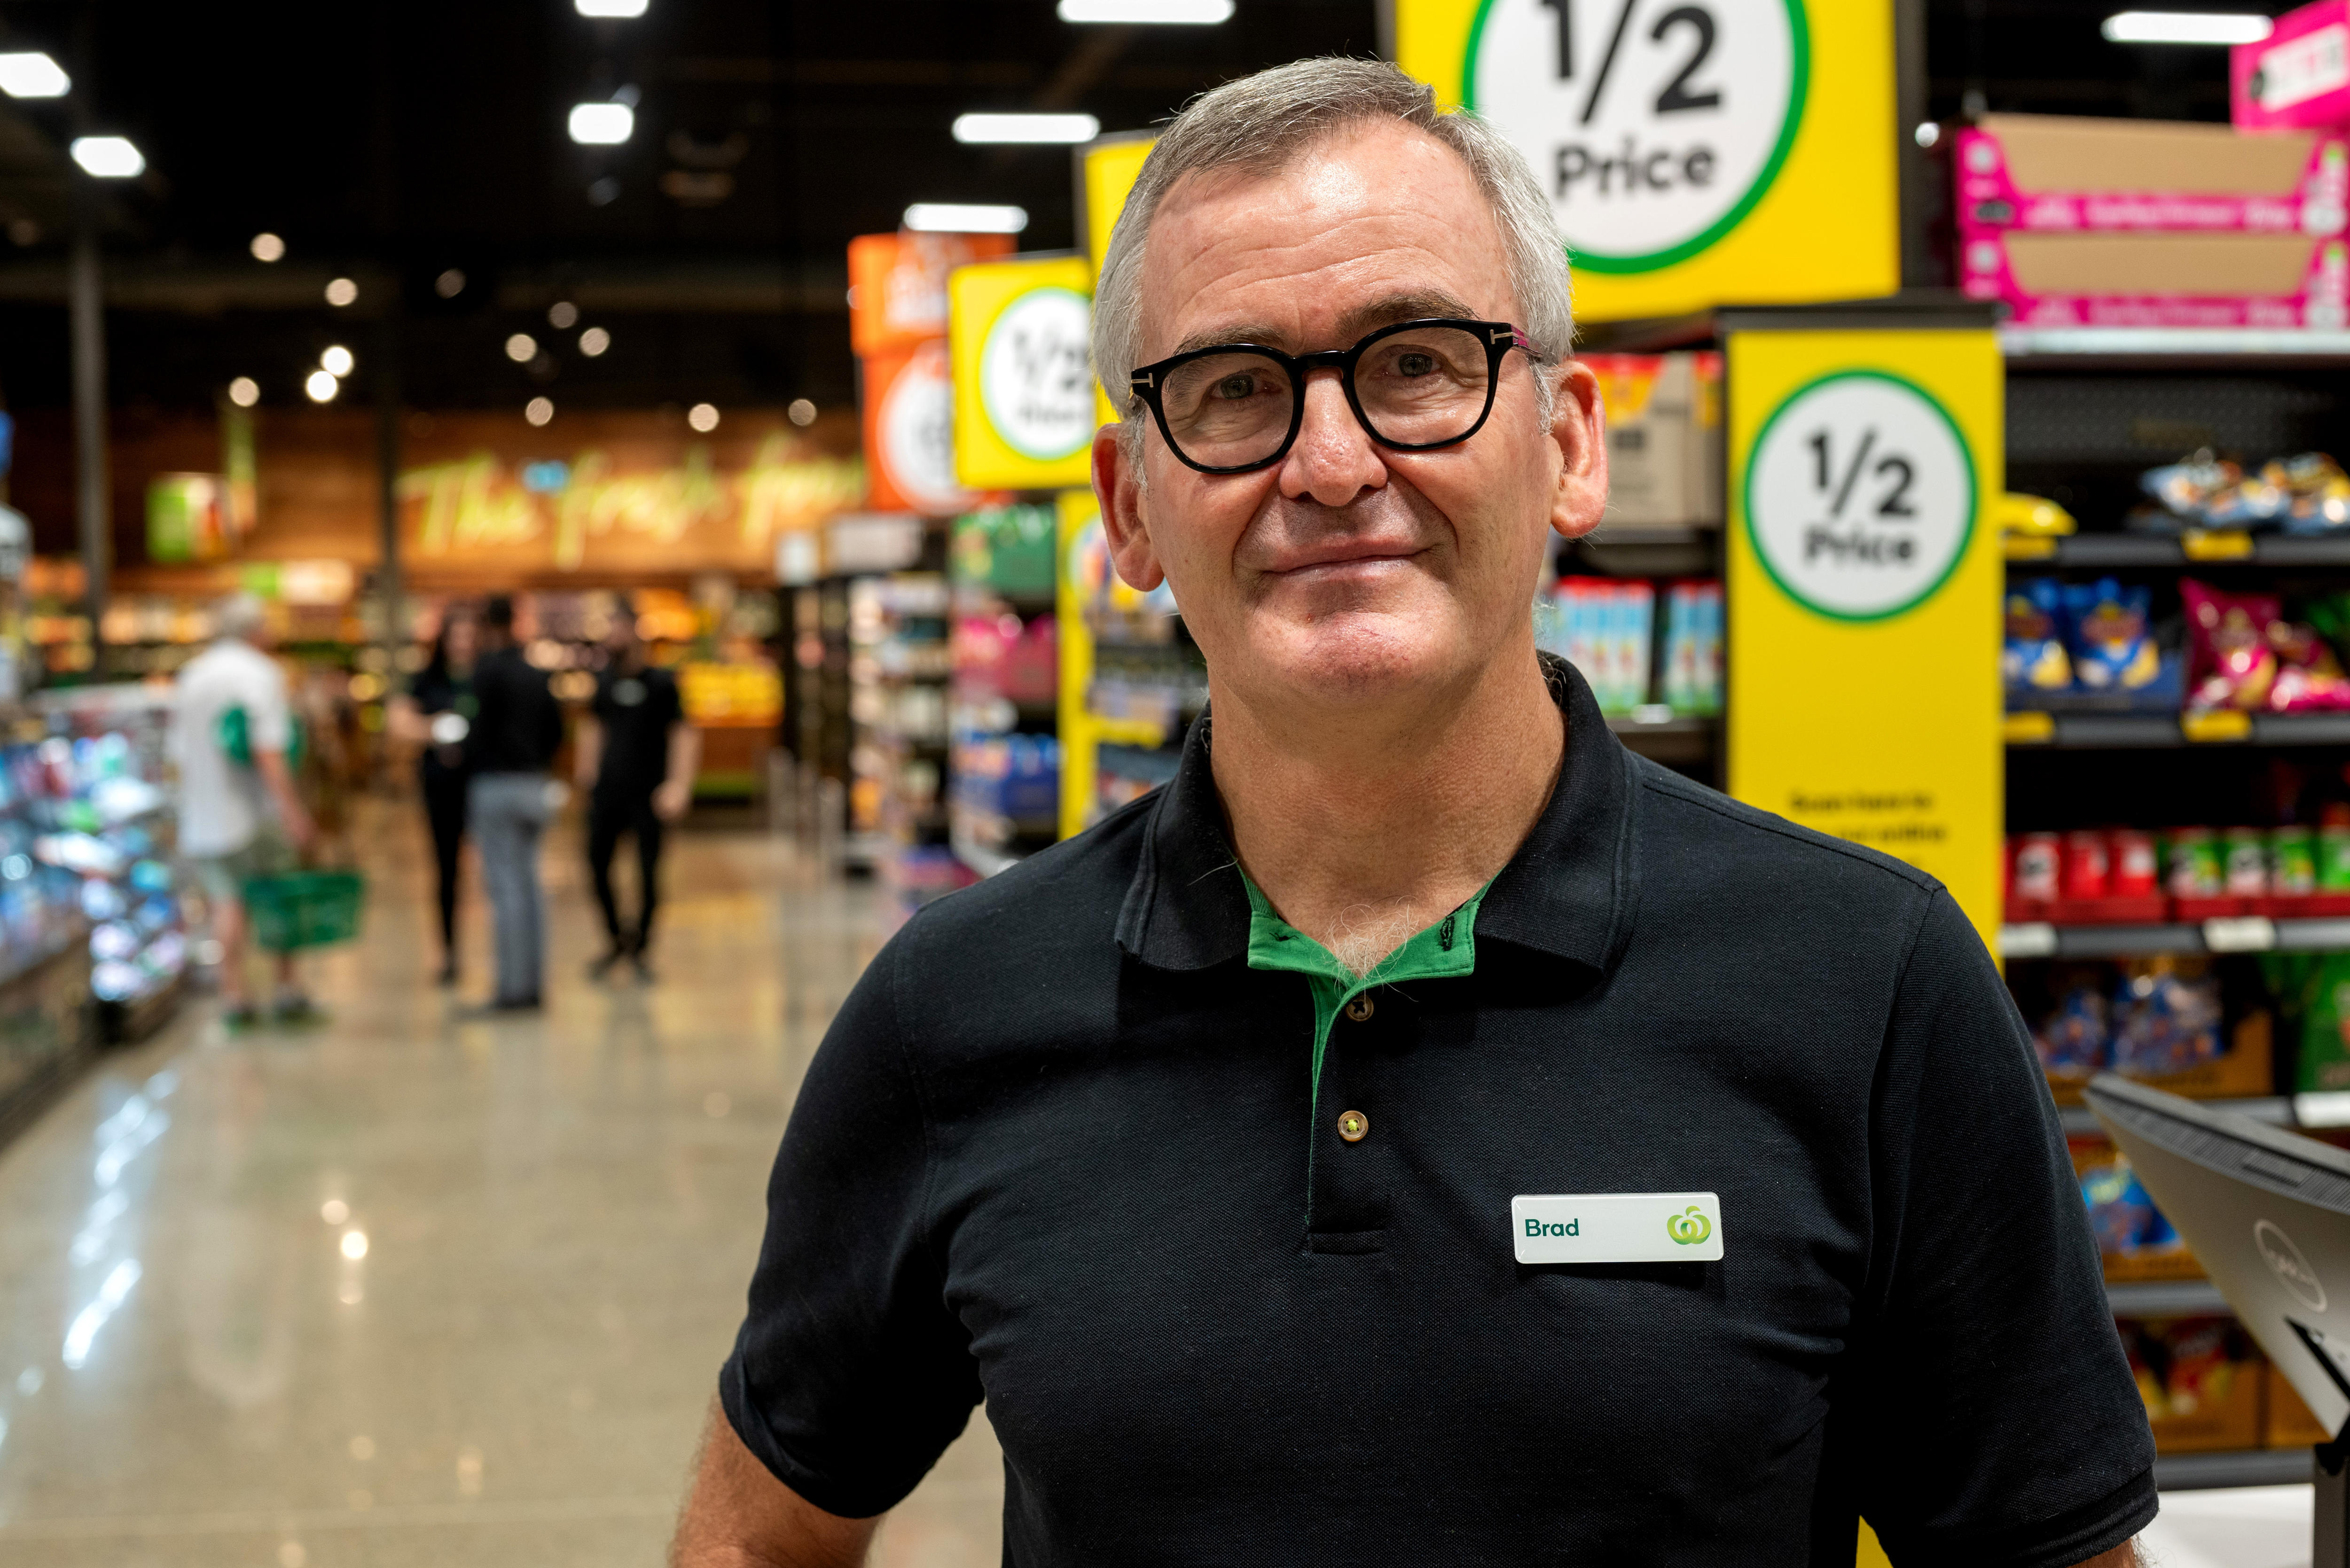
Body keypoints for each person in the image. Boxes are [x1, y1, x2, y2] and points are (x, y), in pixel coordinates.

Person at [674, 59, 2152, 1568]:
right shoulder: (954, 1005)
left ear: (1568, 440)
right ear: (1127, 505)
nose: (1328, 465)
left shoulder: (1867, 982)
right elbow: (757, 1528)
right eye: (1233, 388)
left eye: (1416, 362)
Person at [173, 592, 316, 1025]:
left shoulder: (192, 675)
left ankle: (234, 996)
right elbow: (268, 749)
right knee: (277, 897)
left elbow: (178, 749)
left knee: (226, 902)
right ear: (255, 630)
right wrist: (293, 810)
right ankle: (287, 987)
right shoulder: (261, 674)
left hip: (204, 811)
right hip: (255, 811)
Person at [574, 601, 698, 981]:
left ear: (634, 629)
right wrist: (587, 772)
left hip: (649, 793)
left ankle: (642, 947)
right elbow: (593, 727)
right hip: (609, 793)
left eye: (618, 626)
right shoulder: (605, 681)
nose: (614, 634)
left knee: (647, 873)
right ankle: (616, 940)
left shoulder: (661, 683)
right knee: (597, 865)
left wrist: (678, 785)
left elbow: (683, 734)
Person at [464, 595, 563, 1013]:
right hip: (532, 784)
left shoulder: (485, 673)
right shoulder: (536, 674)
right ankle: (534, 983)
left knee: (505, 890)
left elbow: (473, 729)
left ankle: (512, 989)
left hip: (496, 786)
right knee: (530, 888)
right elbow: (556, 732)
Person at [387, 608, 477, 986]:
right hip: (441, 785)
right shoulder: (428, 679)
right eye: (456, 636)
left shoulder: (486, 676)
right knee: (446, 870)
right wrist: (435, 730)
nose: (463, 644)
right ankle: (449, 951)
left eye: (469, 636)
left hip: (482, 785)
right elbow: (399, 722)